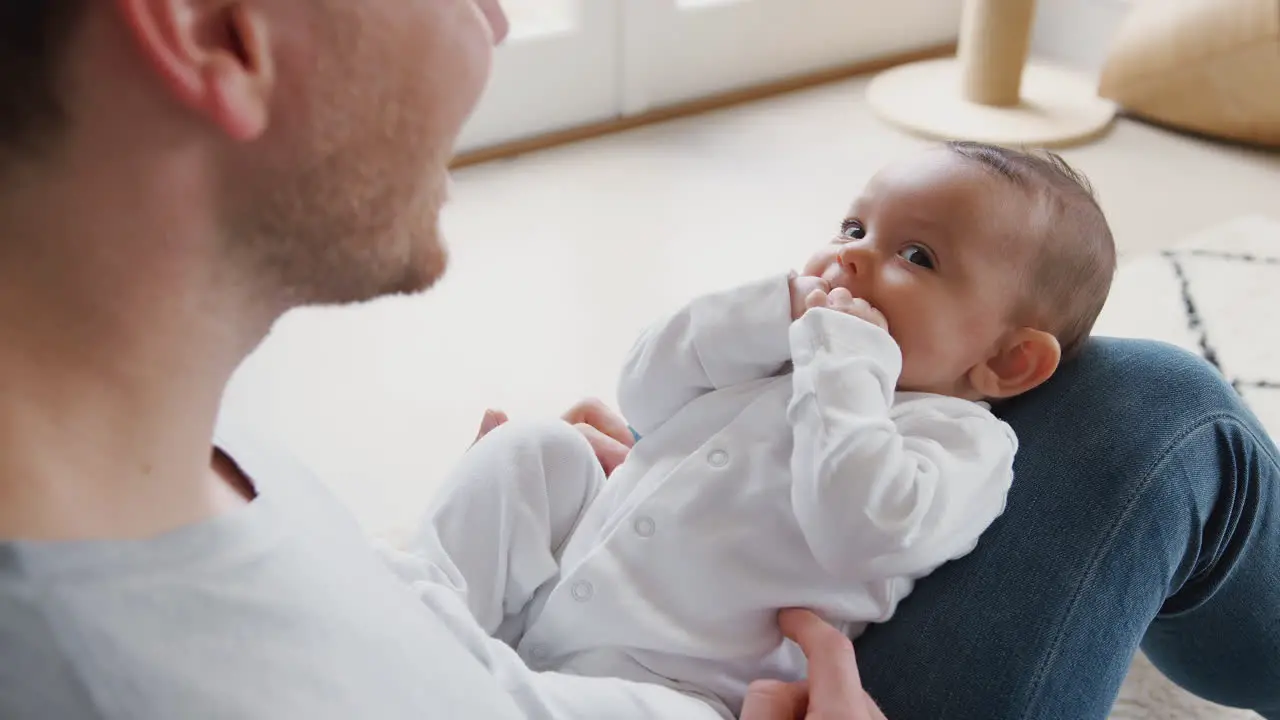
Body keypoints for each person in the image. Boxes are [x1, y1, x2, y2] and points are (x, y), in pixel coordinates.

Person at [0, 1, 1274, 719]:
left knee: (553, 449)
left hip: (542, 621)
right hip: (684, 688)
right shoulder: (125, 667)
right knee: (1168, 421)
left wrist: (548, 531)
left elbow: (663, 395)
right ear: (214, 30)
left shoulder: (125, 440)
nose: (498, 16)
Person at [417, 142, 1115, 718]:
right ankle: (421, 598)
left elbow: (862, 526)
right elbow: (643, 392)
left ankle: (448, 683)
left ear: (1005, 359)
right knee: (541, 450)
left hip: (673, 689)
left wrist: (848, 363)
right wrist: (767, 311)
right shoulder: (782, 346)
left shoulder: (965, 444)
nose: (852, 259)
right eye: (853, 229)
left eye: (917, 257)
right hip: (558, 578)